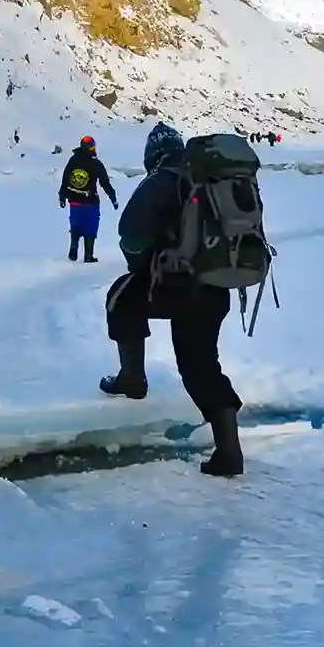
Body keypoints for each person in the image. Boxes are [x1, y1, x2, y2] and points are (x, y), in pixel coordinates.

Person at [100, 123, 243, 477]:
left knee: (123, 299)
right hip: (216, 286)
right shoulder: (210, 179)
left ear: (153, 155)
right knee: (201, 363)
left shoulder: (161, 180)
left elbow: (130, 234)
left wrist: (144, 264)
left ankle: (133, 378)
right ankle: (228, 447)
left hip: (178, 288)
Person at [59, 134, 118, 262]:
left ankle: (73, 250)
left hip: (74, 201)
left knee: (76, 226)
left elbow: (65, 178)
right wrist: (113, 197)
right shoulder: (95, 163)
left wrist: (62, 195)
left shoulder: (73, 160)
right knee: (91, 227)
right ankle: (88, 256)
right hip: (90, 202)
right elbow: (105, 182)